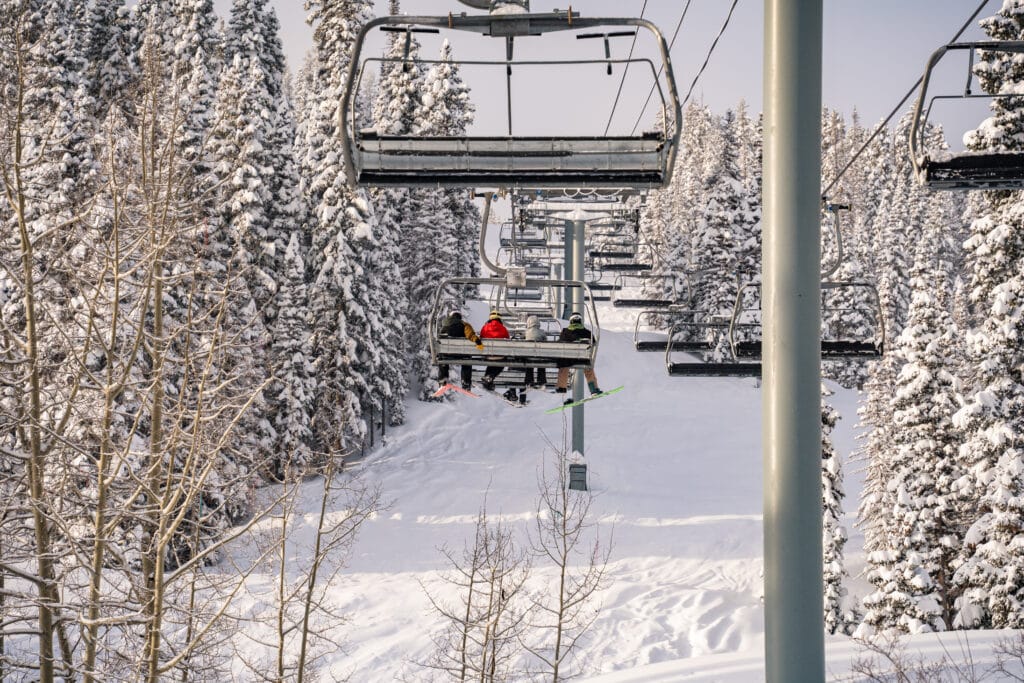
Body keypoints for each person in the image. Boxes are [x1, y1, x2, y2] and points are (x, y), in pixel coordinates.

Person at [555, 312, 602, 403]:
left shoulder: (565, 332)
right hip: (582, 358)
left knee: (563, 366)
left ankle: (562, 387)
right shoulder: (587, 332)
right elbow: (594, 344)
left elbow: (560, 344)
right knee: (588, 368)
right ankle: (593, 389)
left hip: (568, 359)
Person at [437, 310, 483, 390]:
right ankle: (466, 383)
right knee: (467, 362)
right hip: (461, 354)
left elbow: (440, 338)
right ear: (460, 317)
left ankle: (443, 379)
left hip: (447, 354)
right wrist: (477, 341)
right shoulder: (465, 325)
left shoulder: (444, 325)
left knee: (442, 360)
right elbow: (470, 335)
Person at [478, 310, 510, 393]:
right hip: (500, 355)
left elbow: (481, 337)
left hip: (487, 354)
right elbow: (508, 341)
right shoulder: (503, 328)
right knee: (500, 365)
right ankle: (489, 378)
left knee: (491, 365)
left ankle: (488, 379)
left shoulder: (485, 327)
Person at [523, 315, 548, 388]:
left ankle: (529, 381)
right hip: (540, 356)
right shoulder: (542, 332)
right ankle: (541, 380)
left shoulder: (526, 332)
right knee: (541, 366)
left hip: (529, 356)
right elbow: (546, 341)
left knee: (529, 366)